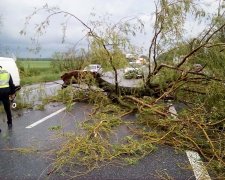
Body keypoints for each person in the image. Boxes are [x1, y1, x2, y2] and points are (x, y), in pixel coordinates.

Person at [0, 66, 15, 132]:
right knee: (7, 108)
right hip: (6, 92)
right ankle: (10, 123)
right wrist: (12, 93)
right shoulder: (7, 73)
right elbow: (11, 84)